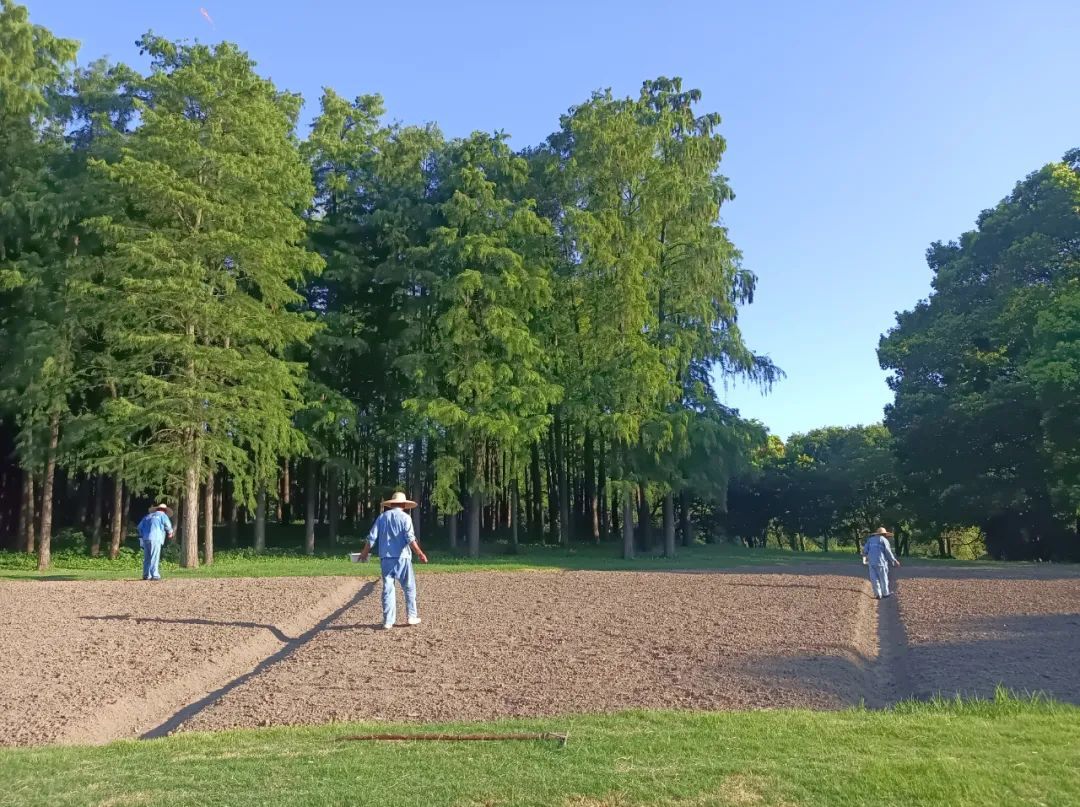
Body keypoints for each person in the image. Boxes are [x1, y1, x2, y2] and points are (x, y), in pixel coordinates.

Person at [358, 491, 428, 630]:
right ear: (403, 505)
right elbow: (410, 538)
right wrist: (420, 553)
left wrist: (364, 552)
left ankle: (388, 621)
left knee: (388, 589)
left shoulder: (382, 517)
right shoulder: (406, 518)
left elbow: (372, 537)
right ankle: (411, 616)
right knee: (409, 587)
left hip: (386, 558)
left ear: (391, 504)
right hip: (403, 557)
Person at [137, 503, 175, 581]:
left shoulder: (147, 516)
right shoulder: (163, 515)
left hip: (146, 538)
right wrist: (170, 532)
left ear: (157, 509)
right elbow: (167, 525)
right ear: (164, 510)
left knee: (147, 557)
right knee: (154, 556)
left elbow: (139, 527)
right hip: (156, 537)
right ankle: (155, 575)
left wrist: (142, 536)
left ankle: (146, 575)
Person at [861, 526, 900, 599]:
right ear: (884, 534)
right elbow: (888, 552)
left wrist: (865, 557)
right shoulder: (884, 540)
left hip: (871, 562)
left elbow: (865, 550)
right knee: (883, 578)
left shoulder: (870, 540)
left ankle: (878, 594)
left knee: (874, 579)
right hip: (881, 562)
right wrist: (894, 560)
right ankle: (885, 593)